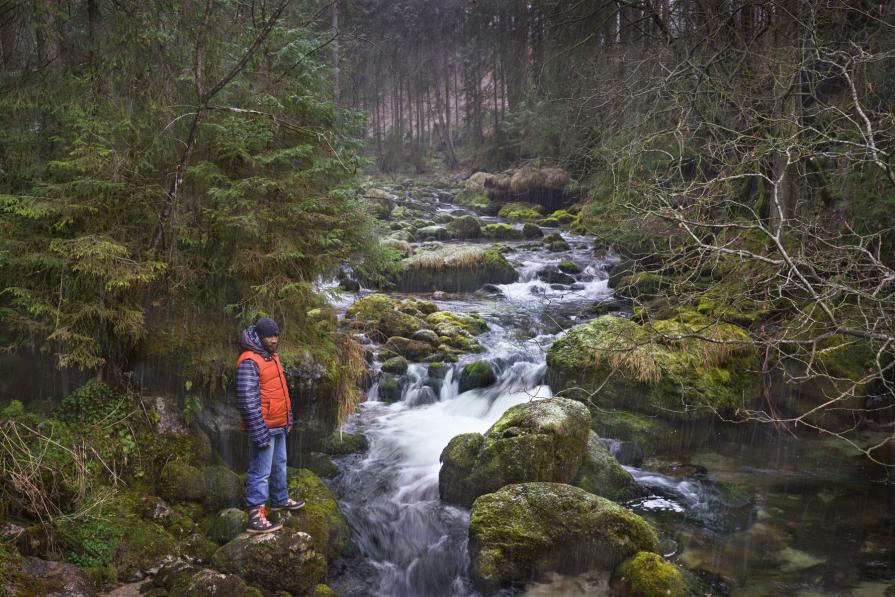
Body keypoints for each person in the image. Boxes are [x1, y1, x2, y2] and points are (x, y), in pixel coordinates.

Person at [235, 317, 305, 534]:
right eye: (269, 336)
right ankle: (256, 516)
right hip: (263, 426)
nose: (274, 340)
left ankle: (279, 499)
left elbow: (281, 391)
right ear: (259, 336)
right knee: (260, 471)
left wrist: (288, 418)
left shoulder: (272, 356)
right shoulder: (249, 360)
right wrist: (259, 431)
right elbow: (247, 400)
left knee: (280, 464)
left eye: (276, 336)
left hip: (278, 423)